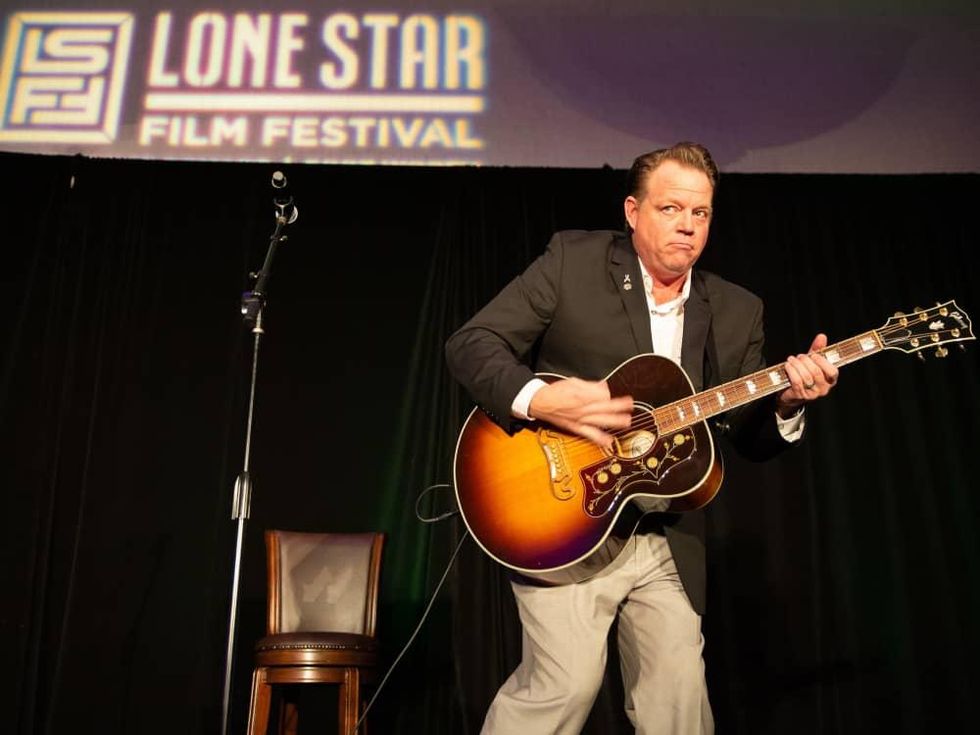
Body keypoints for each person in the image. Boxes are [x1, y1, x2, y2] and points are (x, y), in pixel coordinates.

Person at [444, 142, 838, 734]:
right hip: (565, 515)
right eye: (670, 208)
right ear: (633, 212)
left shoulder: (735, 309)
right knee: (563, 688)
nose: (687, 225)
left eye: (700, 213)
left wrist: (784, 404)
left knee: (678, 705)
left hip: (668, 535)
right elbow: (472, 344)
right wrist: (540, 398)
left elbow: (745, 436)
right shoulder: (573, 262)